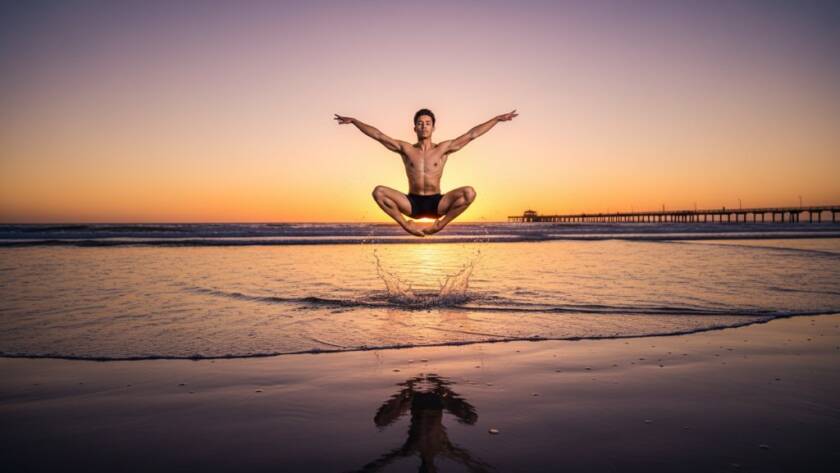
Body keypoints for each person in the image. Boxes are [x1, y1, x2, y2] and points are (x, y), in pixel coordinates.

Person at [335, 108, 518, 236]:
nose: (424, 126)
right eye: (420, 123)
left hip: (437, 203)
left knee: (469, 192)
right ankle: (406, 224)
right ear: (414, 128)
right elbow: (379, 135)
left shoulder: (443, 148)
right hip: (412, 203)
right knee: (378, 192)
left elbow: (472, 134)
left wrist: (496, 119)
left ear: (433, 127)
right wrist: (355, 122)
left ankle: (440, 224)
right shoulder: (405, 149)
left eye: (428, 123)